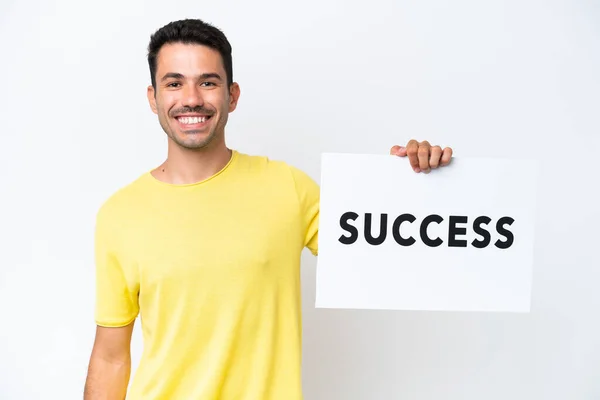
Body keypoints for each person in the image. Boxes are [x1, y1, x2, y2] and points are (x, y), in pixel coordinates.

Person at [83, 18, 453, 400]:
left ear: (232, 95)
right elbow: (111, 358)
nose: (191, 97)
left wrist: (418, 182)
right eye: (174, 83)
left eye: (207, 82)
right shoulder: (120, 214)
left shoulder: (287, 187)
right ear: (153, 97)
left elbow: (387, 250)